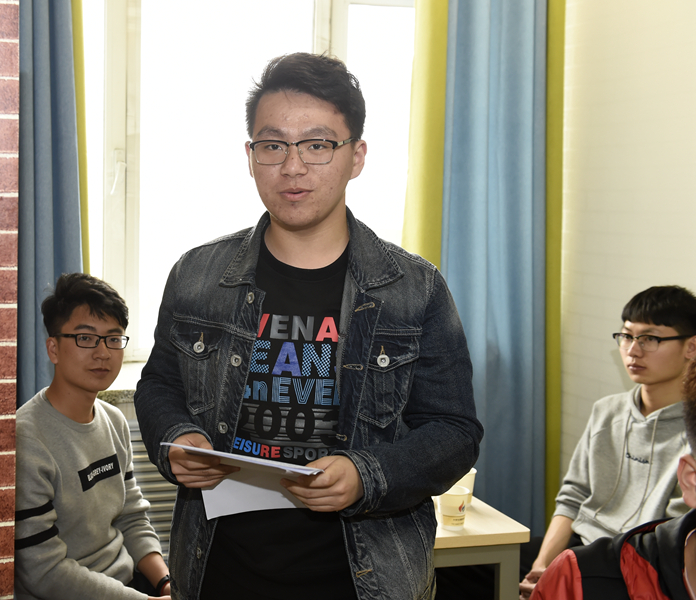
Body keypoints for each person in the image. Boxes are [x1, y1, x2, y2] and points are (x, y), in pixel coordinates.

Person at [133, 52, 483, 600]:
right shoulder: (198, 276)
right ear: (250, 157)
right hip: (219, 569)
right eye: (273, 145)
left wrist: (366, 474)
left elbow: (454, 431)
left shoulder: (414, 289)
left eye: (317, 145)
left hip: (365, 579)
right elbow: (158, 385)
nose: (292, 167)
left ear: (356, 156)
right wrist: (177, 438)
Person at [520, 285, 696, 598]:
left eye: (650, 339)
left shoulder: (690, 431)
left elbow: (674, 529)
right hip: (581, 540)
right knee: (465, 565)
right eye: (627, 336)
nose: (633, 350)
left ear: (691, 347)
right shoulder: (607, 410)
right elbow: (573, 496)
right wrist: (542, 564)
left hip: (638, 561)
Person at [14, 273, 171, 600]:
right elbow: (43, 571)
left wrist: (166, 584)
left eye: (113, 339)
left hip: (130, 585)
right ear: (54, 348)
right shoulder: (25, 438)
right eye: (86, 338)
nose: (103, 353)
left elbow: (132, 517)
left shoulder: (114, 421)